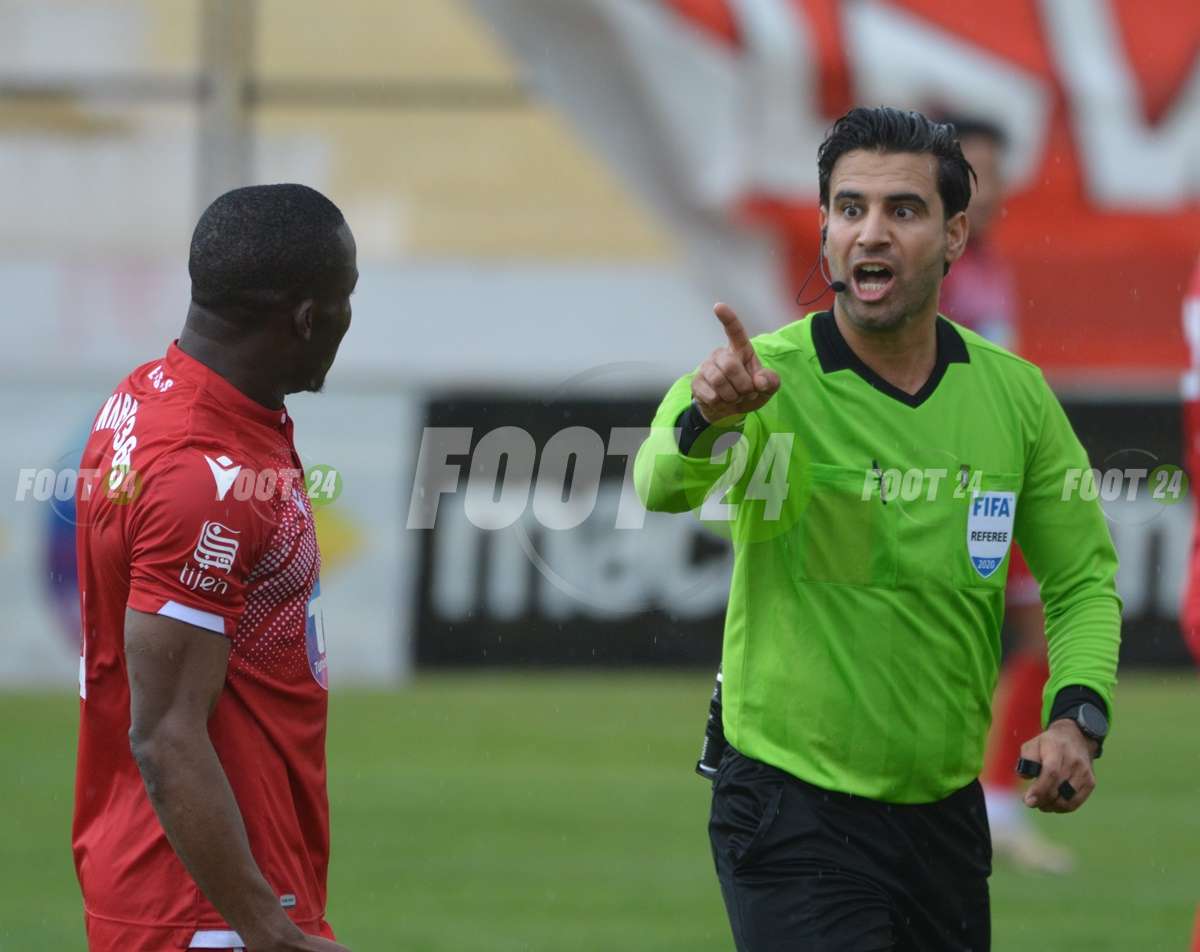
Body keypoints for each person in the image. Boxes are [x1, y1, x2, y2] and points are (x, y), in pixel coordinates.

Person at [634, 107, 1121, 950]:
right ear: (824, 231)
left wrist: (1078, 716)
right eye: (850, 208)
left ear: (955, 233)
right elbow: (660, 484)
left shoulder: (1014, 398)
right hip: (789, 804)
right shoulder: (761, 377)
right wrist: (708, 418)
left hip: (942, 813)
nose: (871, 232)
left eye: (903, 210)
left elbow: (1081, 579)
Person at [73, 184, 356, 952]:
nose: (346, 322)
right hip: (205, 916)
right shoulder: (203, 472)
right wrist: (271, 930)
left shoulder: (141, 399)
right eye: (345, 300)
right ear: (306, 316)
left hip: (188, 893)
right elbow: (165, 734)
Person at [938, 115, 1072, 873]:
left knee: (1037, 628)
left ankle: (987, 802)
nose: (985, 191)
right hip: (952, 490)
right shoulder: (932, 271)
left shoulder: (989, 265)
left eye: (993, 171)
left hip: (998, 482)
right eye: (971, 171)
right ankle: (961, 804)